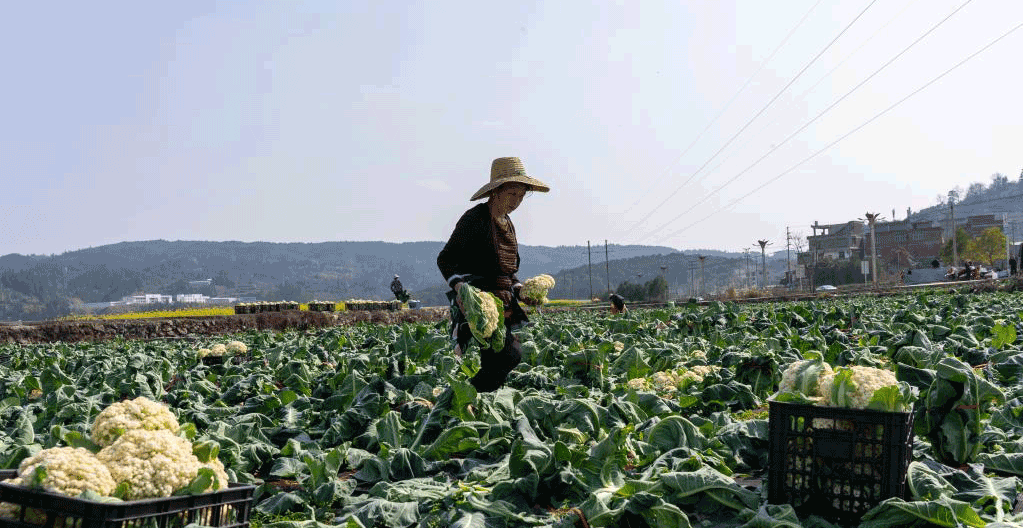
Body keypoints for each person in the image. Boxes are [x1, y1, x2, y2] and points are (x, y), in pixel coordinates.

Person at [436, 157, 550, 392]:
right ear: (496, 191)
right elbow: (445, 259)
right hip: (479, 306)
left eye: (521, 196)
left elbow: (508, 275)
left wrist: (521, 291)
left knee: (497, 361)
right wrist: (460, 288)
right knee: (510, 355)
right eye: (512, 194)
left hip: (503, 305)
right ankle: (457, 400)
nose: (517, 201)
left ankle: (474, 406)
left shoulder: (508, 224)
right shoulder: (475, 218)